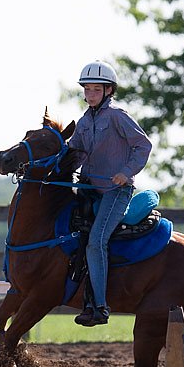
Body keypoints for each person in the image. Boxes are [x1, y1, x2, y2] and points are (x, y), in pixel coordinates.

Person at [67, 60, 152, 326]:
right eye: (87, 89)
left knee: (96, 241)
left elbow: (143, 145)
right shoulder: (83, 122)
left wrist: (125, 172)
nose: (90, 94)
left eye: (95, 89)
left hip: (116, 191)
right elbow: (74, 154)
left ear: (108, 91)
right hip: (90, 191)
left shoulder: (118, 116)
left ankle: (100, 307)